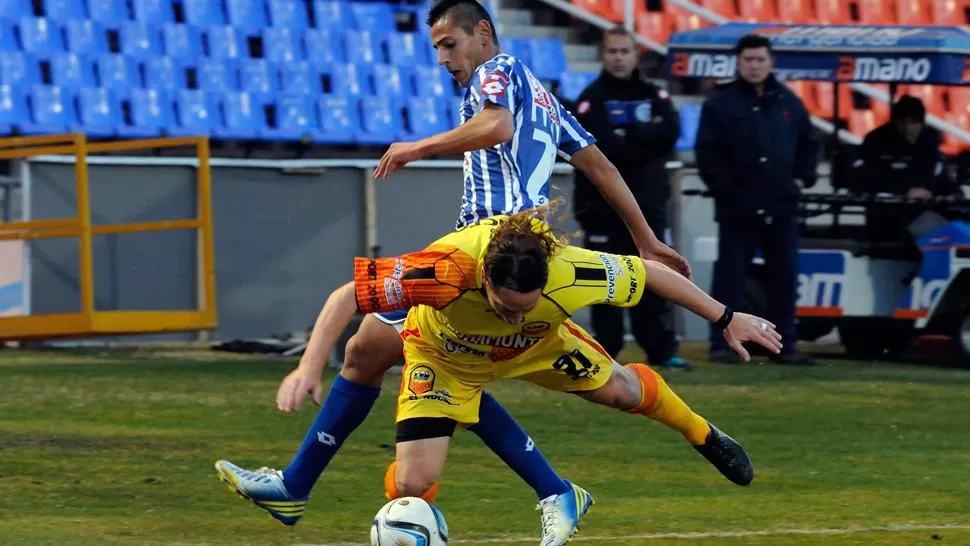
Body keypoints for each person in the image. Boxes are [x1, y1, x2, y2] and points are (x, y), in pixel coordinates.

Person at [214, 2, 691, 544]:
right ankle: (294, 485)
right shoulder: (543, 96)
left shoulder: (499, 71)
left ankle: (554, 489)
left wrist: (417, 147)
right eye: (436, 47)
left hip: (489, 256)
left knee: (441, 361)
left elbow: (495, 125)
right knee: (366, 353)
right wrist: (647, 237)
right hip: (503, 251)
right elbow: (600, 165)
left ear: (482, 33)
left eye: (448, 44)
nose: (442, 59)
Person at [287, 207, 779, 538]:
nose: (513, 314)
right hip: (445, 356)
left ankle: (702, 433)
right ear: (484, 278)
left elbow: (650, 273)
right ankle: (409, 523)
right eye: (504, 306)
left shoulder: (571, 270)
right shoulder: (443, 268)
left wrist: (727, 318)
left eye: (526, 305)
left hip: (539, 346)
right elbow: (346, 296)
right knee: (413, 484)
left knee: (625, 393)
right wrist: (309, 367)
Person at [694, 34, 819, 366]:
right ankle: (722, 345)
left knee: (784, 278)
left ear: (771, 62)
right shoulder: (719, 103)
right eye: (748, 59)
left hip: (782, 208)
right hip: (738, 209)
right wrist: (728, 190)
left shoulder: (789, 103)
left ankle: (784, 346)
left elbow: (810, 143)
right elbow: (707, 154)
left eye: (760, 59)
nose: (754, 65)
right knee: (730, 280)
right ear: (738, 62)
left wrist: (799, 180)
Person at [572, 26, 688, 370]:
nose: (618, 58)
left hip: (649, 206)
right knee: (604, 280)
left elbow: (669, 134)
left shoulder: (656, 95)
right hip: (601, 209)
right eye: (612, 52)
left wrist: (629, 136)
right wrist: (642, 140)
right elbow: (602, 146)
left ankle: (661, 350)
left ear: (636, 55)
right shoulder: (590, 98)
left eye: (624, 51)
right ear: (603, 55)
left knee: (656, 278)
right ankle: (605, 352)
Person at [854, 95, 956, 247]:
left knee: (955, 226)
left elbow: (942, 181)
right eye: (903, 122)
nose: (908, 128)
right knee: (937, 233)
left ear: (922, 123)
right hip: (888, 216)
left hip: (926, 211)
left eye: (914, 122)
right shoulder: (875, 141)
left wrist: (945, 193)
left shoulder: (930, 142)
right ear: (895, 122)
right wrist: (904, 192)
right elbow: (865, 183)